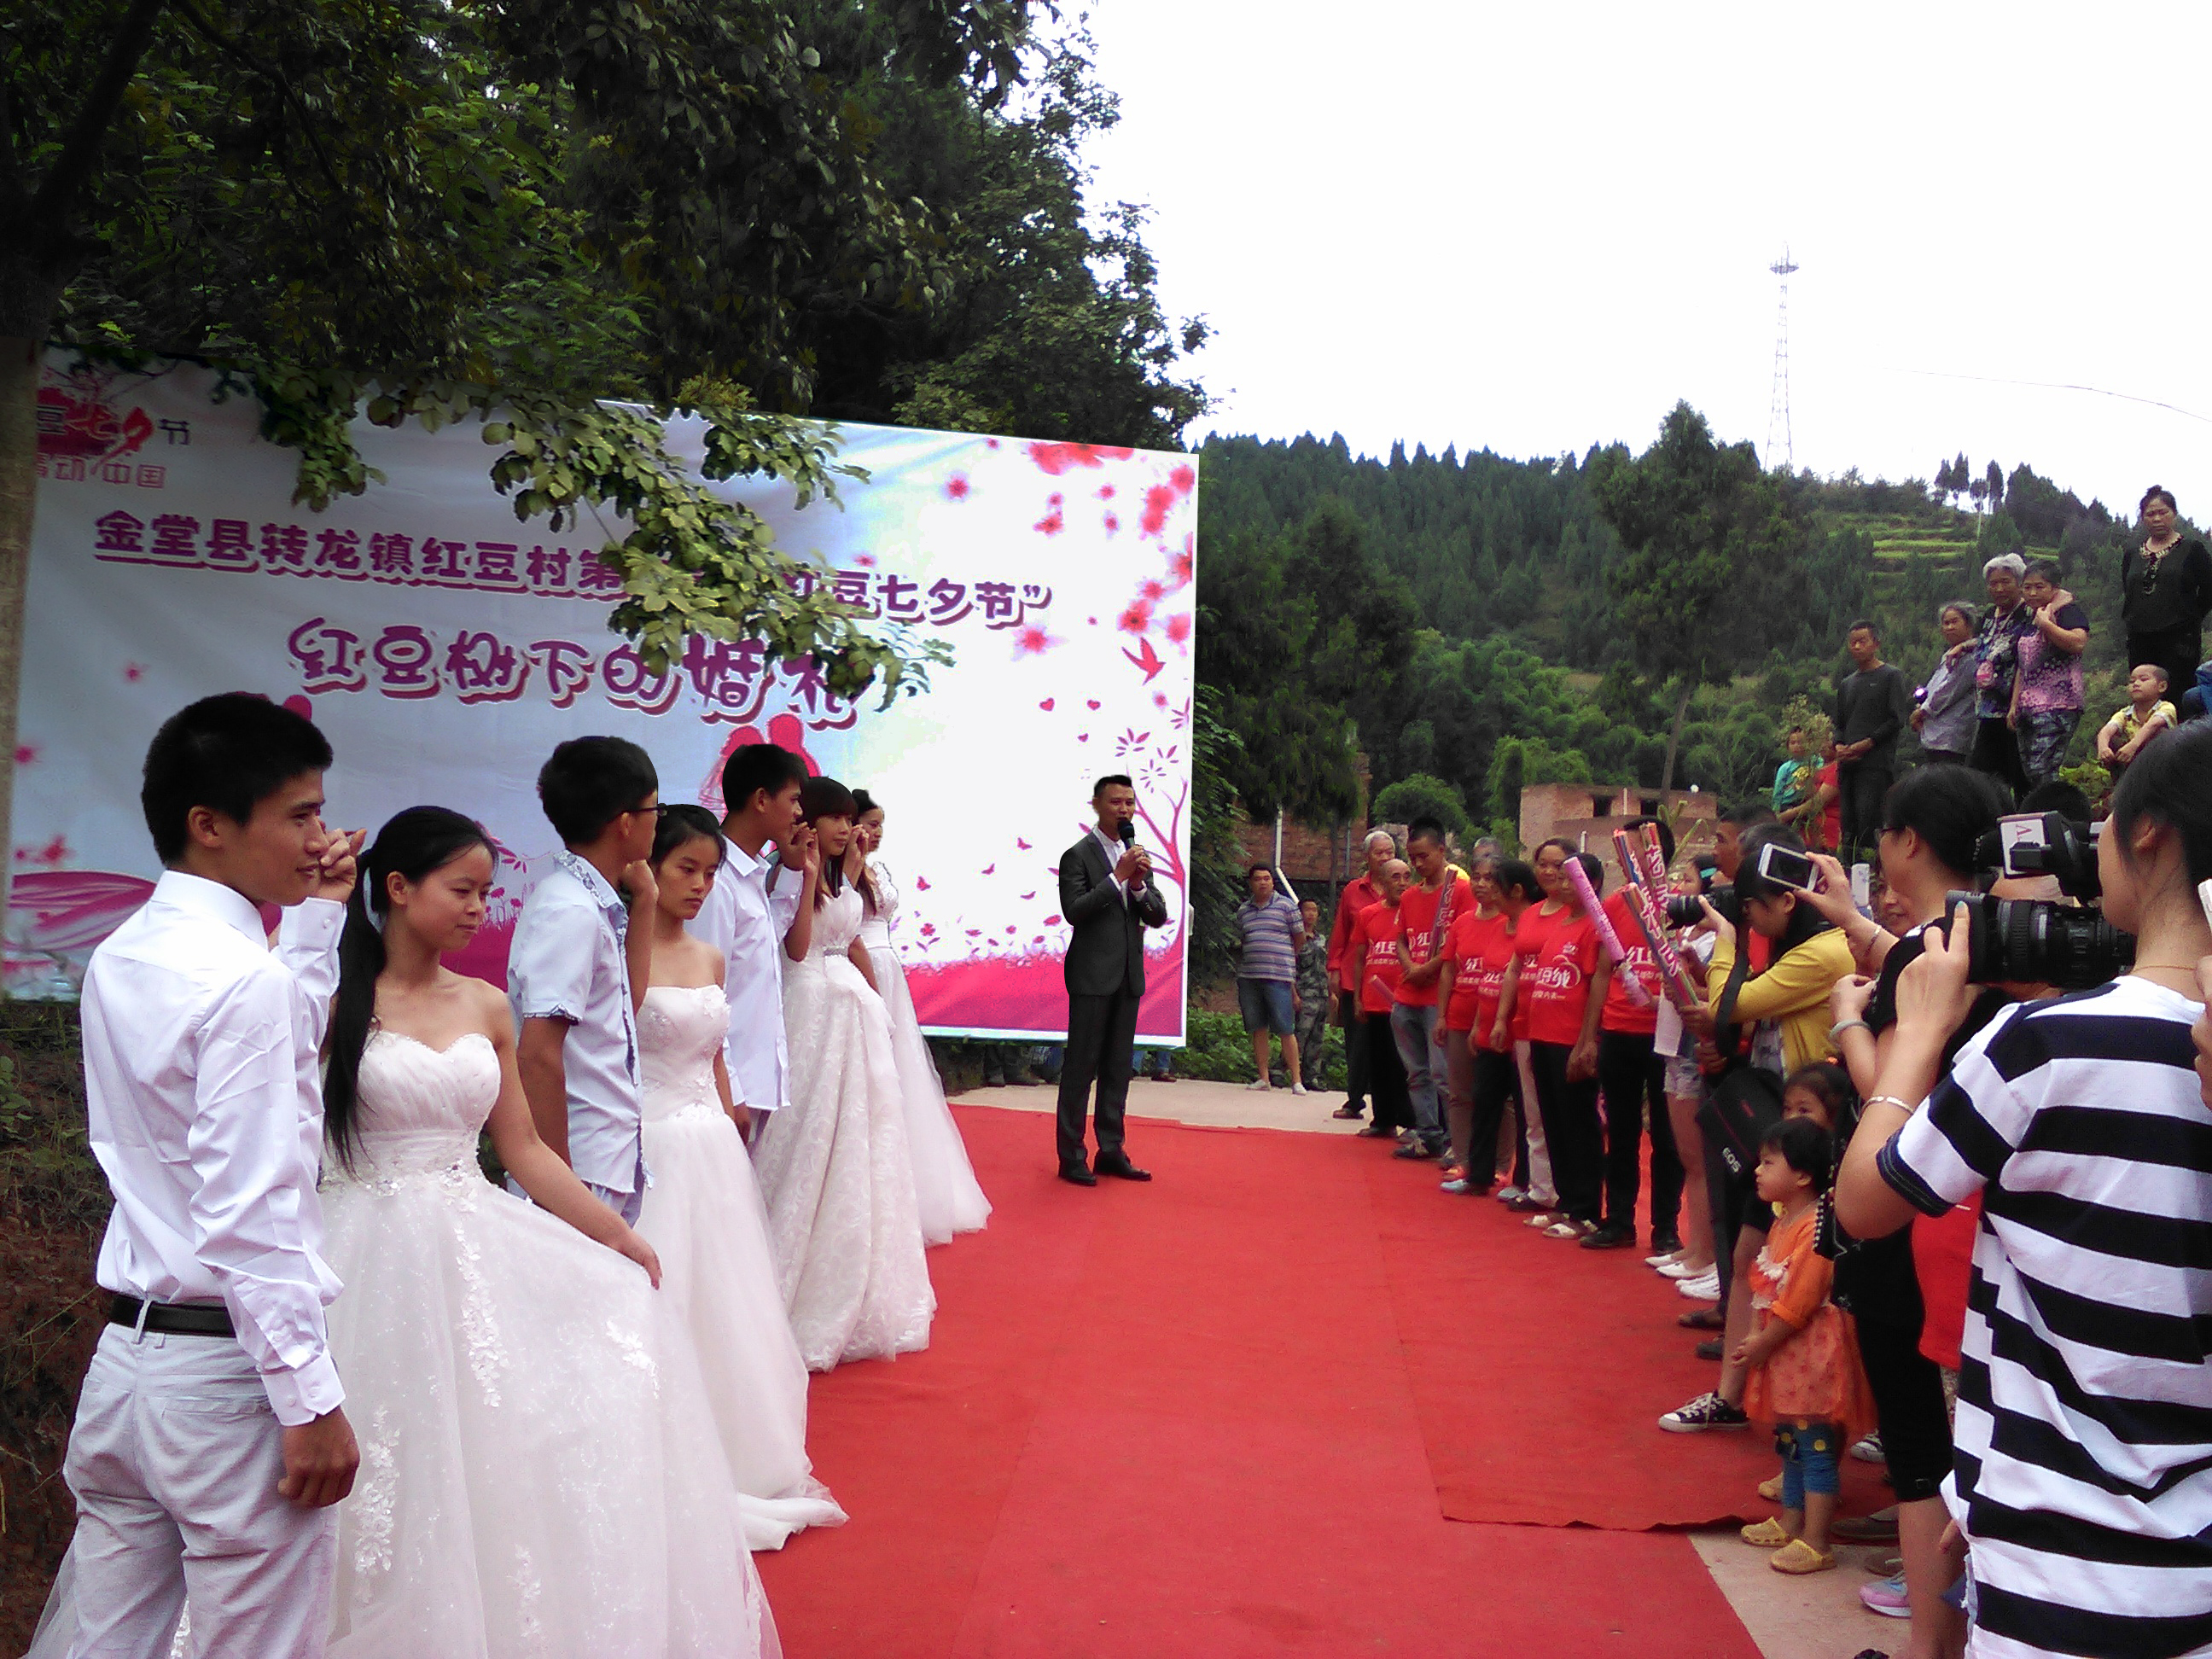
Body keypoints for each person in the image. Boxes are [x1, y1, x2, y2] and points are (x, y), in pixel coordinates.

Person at [296, 806, 781, 1656]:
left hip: (473, 1243)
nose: (479, 908)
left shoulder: (486, 1005)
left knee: (492, 1450)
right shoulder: (329, 1004)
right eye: (462, 890)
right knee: (388, 1456)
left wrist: (614, 1236)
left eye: (486, 892)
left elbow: (522, 1149)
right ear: (399, 888)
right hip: (360, 1258)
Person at [1837, 722, 2212, 1659]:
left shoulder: (2047, 1045)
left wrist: (1921, 1031)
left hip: (2055, 1565)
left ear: (2152, 832)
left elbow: (1866, 1203)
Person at [49, 695, 361, 1659]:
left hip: (128, 1365)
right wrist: (308, 1396)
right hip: (224, 1377)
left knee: (107, 1638)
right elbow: (251, 1211)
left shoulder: (123, 954)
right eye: (300, 814)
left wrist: (315, 921)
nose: (319, 837)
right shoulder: (241, 978)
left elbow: (279, 1062)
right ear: (210, 825)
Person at [1813, 762, 2011, 1657]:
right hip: (1982, 1218)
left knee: (1917, 1436)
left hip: (1906, 1210)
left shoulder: (1917, 962)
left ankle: (1930, 1642)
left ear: (1908, 841)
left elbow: (1893, 1098)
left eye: (1885, 833)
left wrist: (1848, 1024)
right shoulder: (1999, 938)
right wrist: (1854, 925)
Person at [634, 805, 847, 1548]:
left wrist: (730, 1115)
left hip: (712, 1145)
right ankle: (654, 1448)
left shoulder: (709, 958)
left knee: (727, 1297)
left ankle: (735, 1445)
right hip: (651, 1141)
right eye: (685, 869)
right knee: (665, 1290)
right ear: (648, 869)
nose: (699, 885)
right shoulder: (623, 956)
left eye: (709, 872)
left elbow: (717, 1052)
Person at [755, 776, 934, 1366]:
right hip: (811, 1006)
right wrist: (807, 875)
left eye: (847, 818)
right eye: (834, 817)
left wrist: (875, 994)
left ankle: (854, 1272)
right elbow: (798, 950)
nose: (844, 827)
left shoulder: (842, 873)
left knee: (862, 1137)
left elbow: (851, 935)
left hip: (851, 1009)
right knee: (807, 1136)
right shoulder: (790, 873)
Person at [508, 736, 659, 1222]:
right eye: (654, 809)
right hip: (579, 1166)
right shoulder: (571, 909)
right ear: (626, 823)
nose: (658, 821)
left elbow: (620, 1010)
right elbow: (537, 1054)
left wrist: (647, 901)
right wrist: (559, 1187)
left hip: (602, 1157)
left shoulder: (589, 902)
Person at [1661, 1033, 1842, 1435]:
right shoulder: (1774, 1173)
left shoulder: (1832, 1182)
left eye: (1805, 1111)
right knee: (1745, 1261)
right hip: (1781, 1187)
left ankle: (1817, 1422)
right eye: (1787, 1108)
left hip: (1810, 1326)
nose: (1792, 1118)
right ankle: (1729, 1397)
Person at [1733, 1114, 1873, 1578]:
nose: (1757, 1170)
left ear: (1802, 1176)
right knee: (1790, 1441)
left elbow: (1800, 1302)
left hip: (1810, 1353)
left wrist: (1762, 1343)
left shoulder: (1815, 1227)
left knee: (1814, 1445)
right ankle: (1791, 1521)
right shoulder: (1784, 1220)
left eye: (1768, 1162)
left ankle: (1817, 1539)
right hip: (1787, 1352)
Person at [850, 789, 992, 1240]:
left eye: (881, 825)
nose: (877, 833)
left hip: (888, 964)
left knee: (903, 1065)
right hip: (860, 963)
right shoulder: (842, 871)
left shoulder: (880, 869)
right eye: (870, 823)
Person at [1053, 775, 1170, 1183]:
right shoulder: (1077, 855)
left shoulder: (1135, 854)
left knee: (1118, 1069)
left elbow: (1158, 914)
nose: (1124, 809)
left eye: (1130, 803)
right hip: (1091, 976)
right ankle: (1071, 1156)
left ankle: (1111, 1149)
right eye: (1116, 802)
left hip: (1127, 976)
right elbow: (1075, 910)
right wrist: (1117, 877)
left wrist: (1137, 886)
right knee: (1080, 1068)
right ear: (1096, 804)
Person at [694, 742, 811, 1142]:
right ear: (761, 799)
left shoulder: (750, 871)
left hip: (751, 1080)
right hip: (728, 1086)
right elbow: (706, 993)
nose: (799, 813)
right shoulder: (715, 881)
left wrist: (793, 871)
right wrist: (732, 1089)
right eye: (793, 799)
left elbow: (764, 944)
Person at [1589, 818, 1685, 1253]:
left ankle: (1666, 1228)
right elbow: (1602, 970)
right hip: (1619, 1028)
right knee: (1621, 1131)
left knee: (1667, 1135)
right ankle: (1618, 1220)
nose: (1628, 859)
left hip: (1667, 1034)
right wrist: (1591, 1034)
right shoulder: (1614, 904)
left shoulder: (1680, 905)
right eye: (1622, 851)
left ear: (1657, 854)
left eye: (1637, 849)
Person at [1518, 842, 1611, 1238]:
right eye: (1563, 877)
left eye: (1574, 879)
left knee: (1578, 1124)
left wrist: (1586, 1041)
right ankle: (1565, 1201)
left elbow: (1596, 986)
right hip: (1542, 1036)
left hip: (1569, 1038)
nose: (1564, 883)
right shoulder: (1560, 924)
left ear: (1593, 884)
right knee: (1553, 1122)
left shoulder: (1595, 928)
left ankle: (1586, 1210)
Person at [1435, 855, 1534, 1194]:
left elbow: (1516, 978)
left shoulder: (1528, 927)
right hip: (1486, 1025)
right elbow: (1487, 977)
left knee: (1517, 1106)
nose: (1484, 887)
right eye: (1477, 878)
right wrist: (1480, 1023)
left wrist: (1504, 1021)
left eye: (1493, 882)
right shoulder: (1488, 927)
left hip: (1516, 1031)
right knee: (1480, 1098)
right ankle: (1476, 1173)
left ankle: (1515, 1175)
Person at [1391, 818, 1475, 1161]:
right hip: (1407, 994)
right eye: (1413, 857)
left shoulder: (1461, 892)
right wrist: (1411, 966)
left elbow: (1463, 940)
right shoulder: (1410, 896)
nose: (1418, 864)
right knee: (1416, 1073)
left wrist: (1430, 968)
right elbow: (1400, 938)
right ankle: (1428, 1135)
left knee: (1444, 1075)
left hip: (1439, 998)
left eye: (1424, 856)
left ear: (1442, 850)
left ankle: (1458, 1142)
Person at [1325, 830, 1398, 1121]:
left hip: (1391, 981)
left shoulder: (1405, 891)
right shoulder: (1353, 891)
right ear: (1367, 856)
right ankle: (1354, 1100)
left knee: (1390, 1046)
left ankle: (1391, 1108)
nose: (1385, 857)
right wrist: (1333, 966)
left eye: (1390, 852)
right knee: (1357, 1044)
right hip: (1353, 978)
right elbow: (1340, 931)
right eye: (1379, 853)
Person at [2121, 484, 2212, 704]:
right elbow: (2129, 590)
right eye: (2150, 514)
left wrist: (2190, 617)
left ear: (2174, 514)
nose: (2157, 519)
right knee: (2144, 697)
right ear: (2143, 518)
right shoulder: (2133, 553)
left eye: (2163, 512)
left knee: (2176, 698)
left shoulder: (2192, 549)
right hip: (2140, 639)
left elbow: (2209, 589)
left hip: (2179, 641)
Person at [1833, 620, 1911, 863]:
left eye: (1862, 641)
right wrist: (1839, 746)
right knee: (1848, 829)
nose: (1856, 647)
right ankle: (1849, 872)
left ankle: (1874, 874)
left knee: (1870, 824)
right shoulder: (1847, 684)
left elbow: (1896, 719)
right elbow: (1839, 723)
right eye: (1852, 642)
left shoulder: (1891, 676)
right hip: (1848, 765)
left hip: (1875, 764)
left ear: (1876, 643)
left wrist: (1868, 743)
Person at [1350, 858, 1416, 1141]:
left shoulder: (1415, 914)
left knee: (1404, 1064)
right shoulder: (1368, 914)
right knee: (1378, 1062)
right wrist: (1357, 998)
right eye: (1395, 877)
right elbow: (1359, 958)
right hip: (1374, 1001)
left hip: (1404, 1000)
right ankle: (1383, 1120)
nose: (1402, 883)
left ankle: (1411, 1121)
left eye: (1406, 877)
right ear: (1383, 882)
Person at [2008, 559, 2090, 788]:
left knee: (2043, 770)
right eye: (2027, 587)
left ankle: (2057, 808)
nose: (2032, 593)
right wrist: (2014, 705)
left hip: (2059, 704)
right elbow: (2024, 665)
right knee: (2031, 773)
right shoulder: (2031, 615)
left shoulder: (2067, 612)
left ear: (2055, 588)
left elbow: (2078, 643)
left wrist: (2046, 624)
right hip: (2028, 706)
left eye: (2040, 587)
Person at [1232, 863, 1308, 1094]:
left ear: (1273, 882)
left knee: (1286, 1027)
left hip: (1279, 975)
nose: (1263, 883)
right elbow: (1243, 940)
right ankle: (1263, 1078)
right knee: (1258, 1027)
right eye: (1258, 879)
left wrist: (1285, 959)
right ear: (1251, 883)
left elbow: (1300, 938)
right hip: (1250, 976)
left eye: (1267, 878)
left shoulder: (1287, 906)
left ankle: (1296, 1080)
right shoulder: (1243, 911)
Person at [1970, 552, 2035, 795]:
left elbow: (2026, 659)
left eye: (2005, 582)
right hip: (1987, 707)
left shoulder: (2028, 614)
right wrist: (1963, 646)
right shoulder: (1988, 616)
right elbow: (1982, 644)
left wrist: (2015, 705)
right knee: (1982, 775)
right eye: (1993, 583)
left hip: (2016, 707)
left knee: (2019, 774)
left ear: (2019, 583)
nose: (1998, 588)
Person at [1911, 601, 1979, 765]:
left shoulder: (1971, 657)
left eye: (1955, 622)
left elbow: (1948, 691)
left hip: (1952, 737)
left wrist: (1922, 712)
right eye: (1946, 623)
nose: (1950, 627)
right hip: (1934, 735)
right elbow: (1934, 686)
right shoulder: (1949, 655)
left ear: (1969, 624)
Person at [2094, 661, 2177, 775]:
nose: (2136, 684)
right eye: (2132, 681)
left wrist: (2133, 746)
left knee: (2160, 733)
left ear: (2162, 686)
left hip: (2160, 762)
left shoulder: (2166, 707)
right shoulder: (2125, 713)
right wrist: (2103, 748)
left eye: (2143, 679)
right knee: (2112, 739)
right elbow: (2106, 731)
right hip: (2132, 761)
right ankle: (2120, 780)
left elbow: (2152, 725)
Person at [1294, 897, 1332, 1092]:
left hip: (1321, 993)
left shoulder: (1321, 939)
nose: (1311, 914)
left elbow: (1327, 967)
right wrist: (1294, 994)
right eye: (1307, 910)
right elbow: (1291, 967)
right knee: (1300, 1034)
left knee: (1317, 1038)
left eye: (1314, 910)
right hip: (1305, 993)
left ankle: (1311, 1076)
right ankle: (1281, 1070)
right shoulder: (1296, 938)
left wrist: (1332, 993)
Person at [1770, 726, 1815, 824]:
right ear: (1788, 746)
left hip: (1809, 802)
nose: (1797, 746)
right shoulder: (1785, 768)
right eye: (1793, 743)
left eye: (1801, 742)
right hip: (1788, 805)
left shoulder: (1817, 762)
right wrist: (1776, 811)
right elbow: (1778, 790)